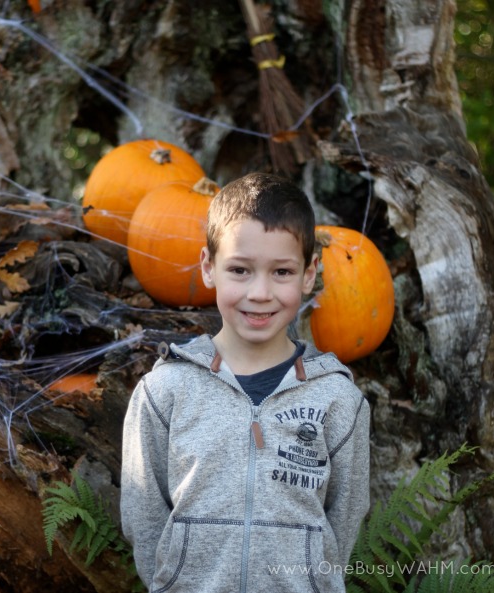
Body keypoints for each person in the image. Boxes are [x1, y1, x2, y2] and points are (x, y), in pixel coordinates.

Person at [121, 172, 370, 593]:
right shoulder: (164, 392)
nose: (260, 292)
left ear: (309, 274)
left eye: (282, 272)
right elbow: (143, 517)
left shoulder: (338, 400)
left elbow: (344, 520)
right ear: (208, 267)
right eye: (239, 269)